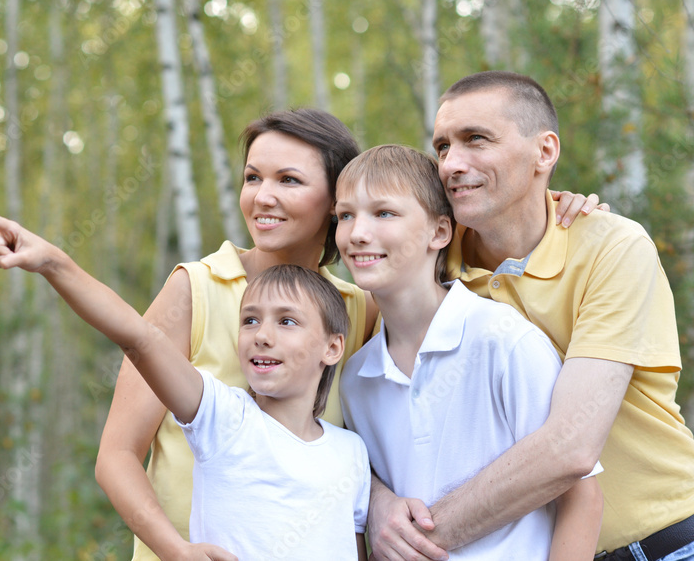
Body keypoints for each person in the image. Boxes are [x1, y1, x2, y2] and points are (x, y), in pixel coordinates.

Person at [90, 108, 599, 561]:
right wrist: (174, 550)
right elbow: (116, 454)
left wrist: (551, 208)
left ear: (332, 198)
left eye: (289, 180)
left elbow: (423, 257)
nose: (263, 196)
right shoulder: (197, 287)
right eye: (252, 177)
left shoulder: (357, 309)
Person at [367, 71, 694, 561]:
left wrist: (420, 543)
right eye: (442, 147)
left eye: (476, 139)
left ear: (545, 152)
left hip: (663, 542)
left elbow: (570, 449)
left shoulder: (611, 246)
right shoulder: (429, 260)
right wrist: (376, 503)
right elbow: (344, 410)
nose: (452, 164)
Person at [0, 202, 371, 559]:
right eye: (249, 320)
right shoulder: (225, 420)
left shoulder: (351, 452)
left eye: (286, 321)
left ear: (333, 347)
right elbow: (139, 337)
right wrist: (54, 264)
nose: (262, 335)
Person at [334, 144, 602, 560]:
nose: (357, 233)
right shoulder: (355, 378)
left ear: (440, 232)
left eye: (384, 213)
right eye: (345, 215)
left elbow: (582, 498)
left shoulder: (504, 341)